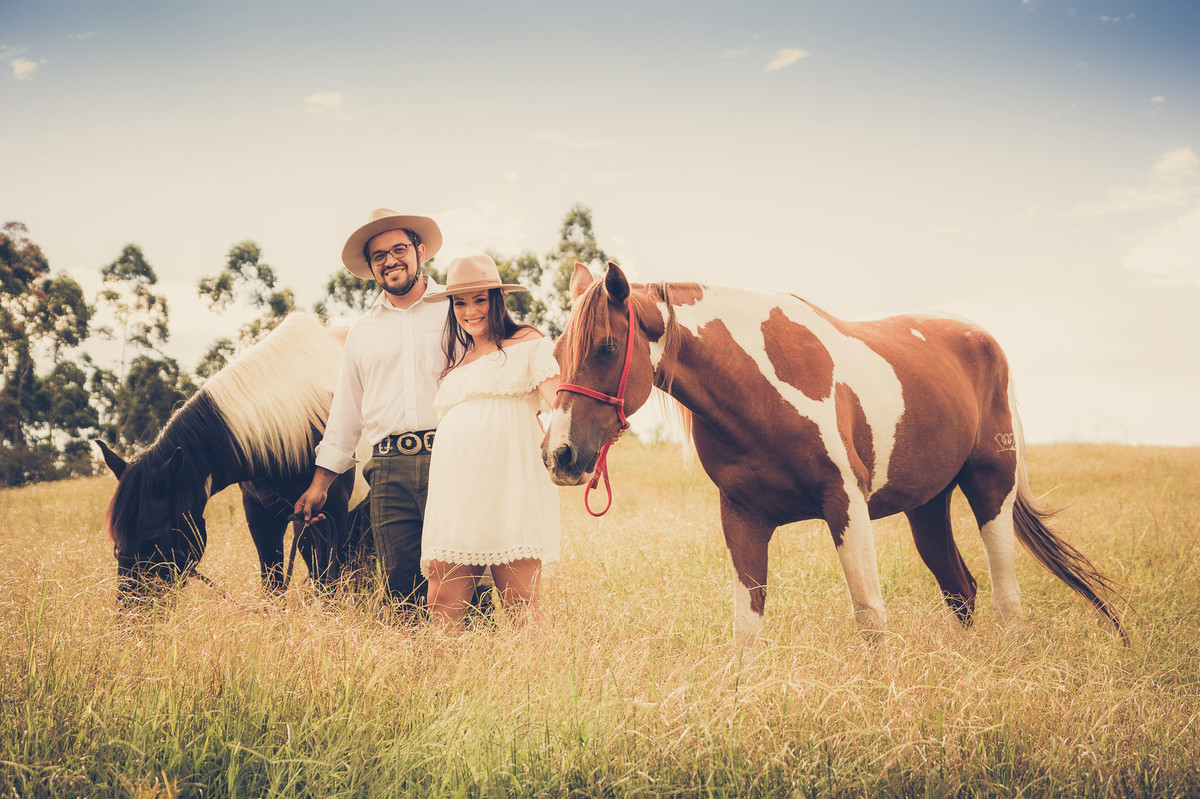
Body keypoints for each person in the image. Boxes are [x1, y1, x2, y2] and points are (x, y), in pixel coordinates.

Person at [294, 208, 448, 609]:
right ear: (371, 267)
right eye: (379, 255)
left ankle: (482, 664)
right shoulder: (362, 331)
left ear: (421, 250)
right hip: (387, 469)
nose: (390, 260)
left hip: (452, 459)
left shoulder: (457, 310)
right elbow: (346, 413)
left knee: (461, 574)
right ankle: (417, 668)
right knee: (401, 587)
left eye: (399, 249)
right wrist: (320, 485)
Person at [419, 254, 562, 627]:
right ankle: (446, 684)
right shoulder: (455, 366)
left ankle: (538, 684)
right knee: (441, 597)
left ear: (496, 300)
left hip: (511, 485)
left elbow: (561, 406)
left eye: (479, 299)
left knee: (520, 599)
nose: (470, 311)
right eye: (460, 302)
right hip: (456, 492)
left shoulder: (528, 343)